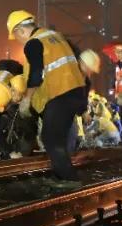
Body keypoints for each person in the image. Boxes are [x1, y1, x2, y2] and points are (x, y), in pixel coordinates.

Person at [8, 10, 87, 183]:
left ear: (21, 31)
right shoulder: (56, 37)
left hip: (60, 94)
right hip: (75, 92)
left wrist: (27, 99)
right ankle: (62, 176)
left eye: (17, 37)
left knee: (50, 139)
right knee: (58, 137)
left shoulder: (34, 43)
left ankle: (69, 180)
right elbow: (78, 64)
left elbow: (36, 74)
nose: (20, 42)